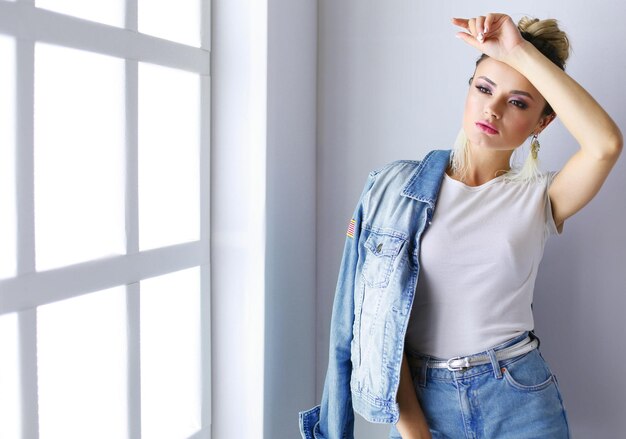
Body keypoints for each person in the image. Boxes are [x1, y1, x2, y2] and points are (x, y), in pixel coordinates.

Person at [299, 13, 622, 439]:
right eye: (484, 88)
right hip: (422, 403)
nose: (493, 108)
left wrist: (518, 52)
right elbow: (372, 326)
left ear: (542, 122)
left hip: (519, 398)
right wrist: (415, 430)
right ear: (468, 90)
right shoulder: (394, 190)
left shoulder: (540, 197)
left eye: (519, 102)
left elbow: (605, 144)